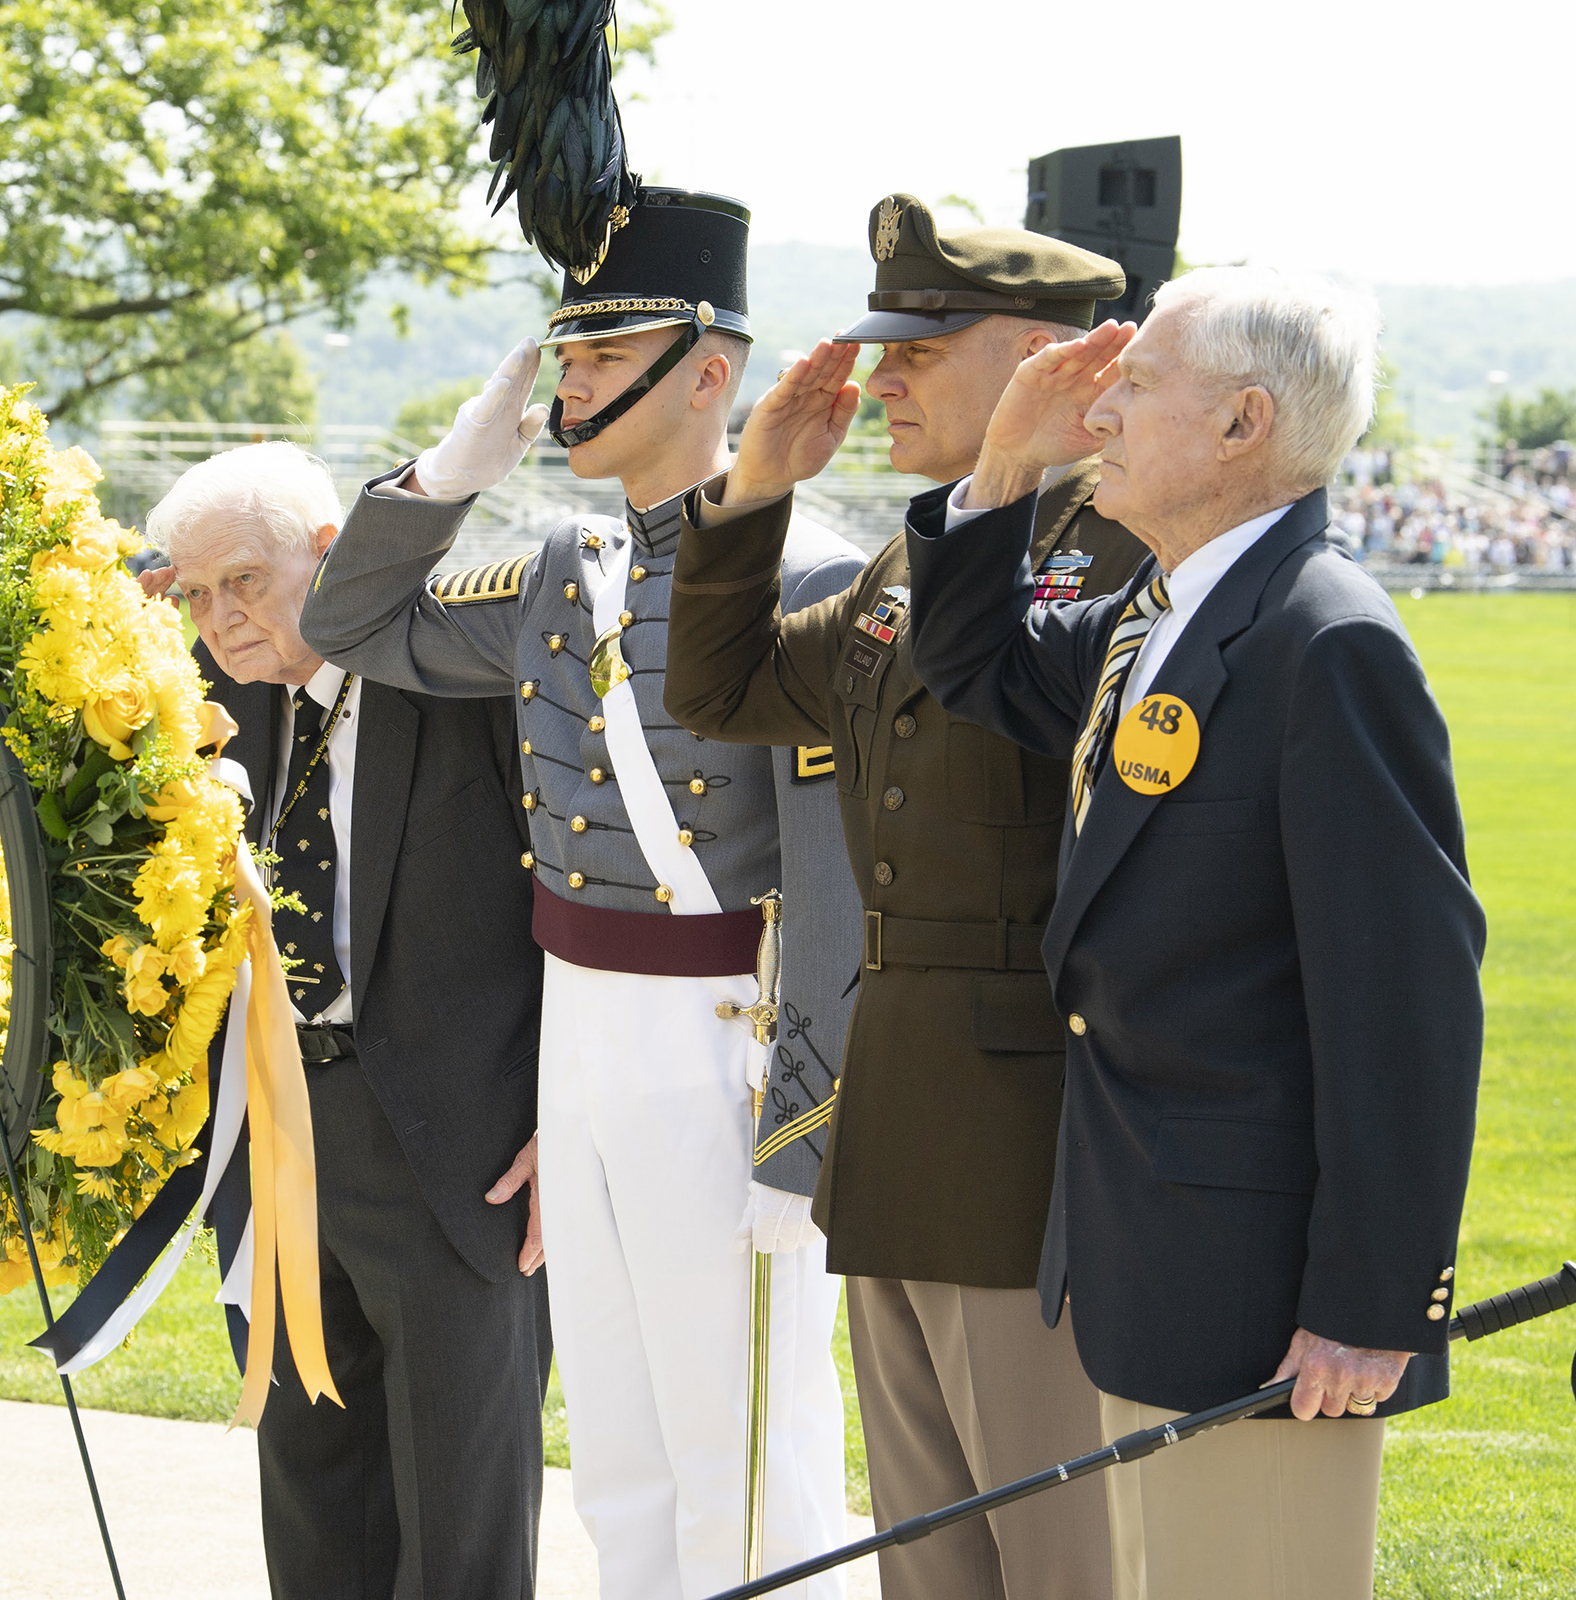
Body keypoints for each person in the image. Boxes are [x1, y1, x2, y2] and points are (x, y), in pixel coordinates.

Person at [298, 188, 864, 1600]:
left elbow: (838, 886)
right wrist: (457, 462)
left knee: (743, 1439)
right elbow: (348, 623)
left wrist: (806, 1122)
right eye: (565, 354)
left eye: (606, 359)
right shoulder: (567, 568)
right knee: (615, 1437)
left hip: (727, 1037)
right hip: (581, 1030)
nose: (572, 384)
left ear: (710, 372)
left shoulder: (818, 570)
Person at [894, 270, 1485, 1599]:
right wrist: (1002, 457)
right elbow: (973, 660)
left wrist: (1370, 1301)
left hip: (1274, 1307)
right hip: (1156, 1261)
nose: (1099, 409)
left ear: (1242, 426)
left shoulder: (1325, 642)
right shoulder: (1167, 618)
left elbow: (1407, 1004)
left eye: (1137, 385)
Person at [665, 193, 1138, 1600]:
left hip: (1028, 1137)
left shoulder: (1118, 552)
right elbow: (723, 689)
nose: (876, 384)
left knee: (1057, 1550)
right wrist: (755, 487)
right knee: (929, 1558)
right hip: (897, 1116)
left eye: (918, 353)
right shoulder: (907, 562)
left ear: (1052, 361)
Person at [147, 442, 552, 1600]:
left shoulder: (469, 677)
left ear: (333, 555)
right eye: (198, 591)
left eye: (244, 582)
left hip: (460, 1160)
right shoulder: (211, 703)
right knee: (314, 1498)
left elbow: (575, 908)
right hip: (273, 1141)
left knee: (458, 1522)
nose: (219, 619)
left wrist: (565, 1116)